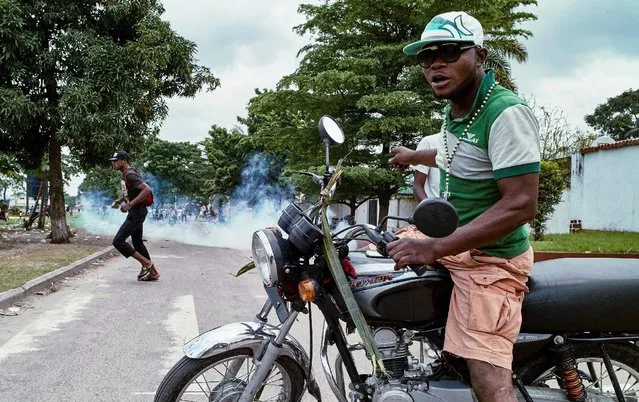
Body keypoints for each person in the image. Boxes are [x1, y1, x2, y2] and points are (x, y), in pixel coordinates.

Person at [387, 11, 540, 402]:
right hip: (459, 246)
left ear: (480, 56)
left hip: (490, 261)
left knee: (488, 381)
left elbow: (521, 205)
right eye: (427, 56)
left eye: (450, 52)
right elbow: (457, 155)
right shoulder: (458, 109)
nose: (436, 63)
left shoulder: (503, 113)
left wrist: (435, 247)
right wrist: (413, 156)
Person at [110, 150, 159, 281]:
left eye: (116, 160)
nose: (113, 163)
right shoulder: (126, 174)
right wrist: (120, 200)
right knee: (137, 243)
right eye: (113, 161)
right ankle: (153, 273)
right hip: (137, 211)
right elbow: (133, 191)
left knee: (118, 241)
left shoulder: (130, 174)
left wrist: (130, 204)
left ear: (124, 160)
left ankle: (147, 263)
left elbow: (147, 190)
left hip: (137, 212)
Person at [412, 133, 441, 201]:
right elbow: (418, 186)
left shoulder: (469, 143)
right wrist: (429, 209)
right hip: (435, 207)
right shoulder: (429, 142)